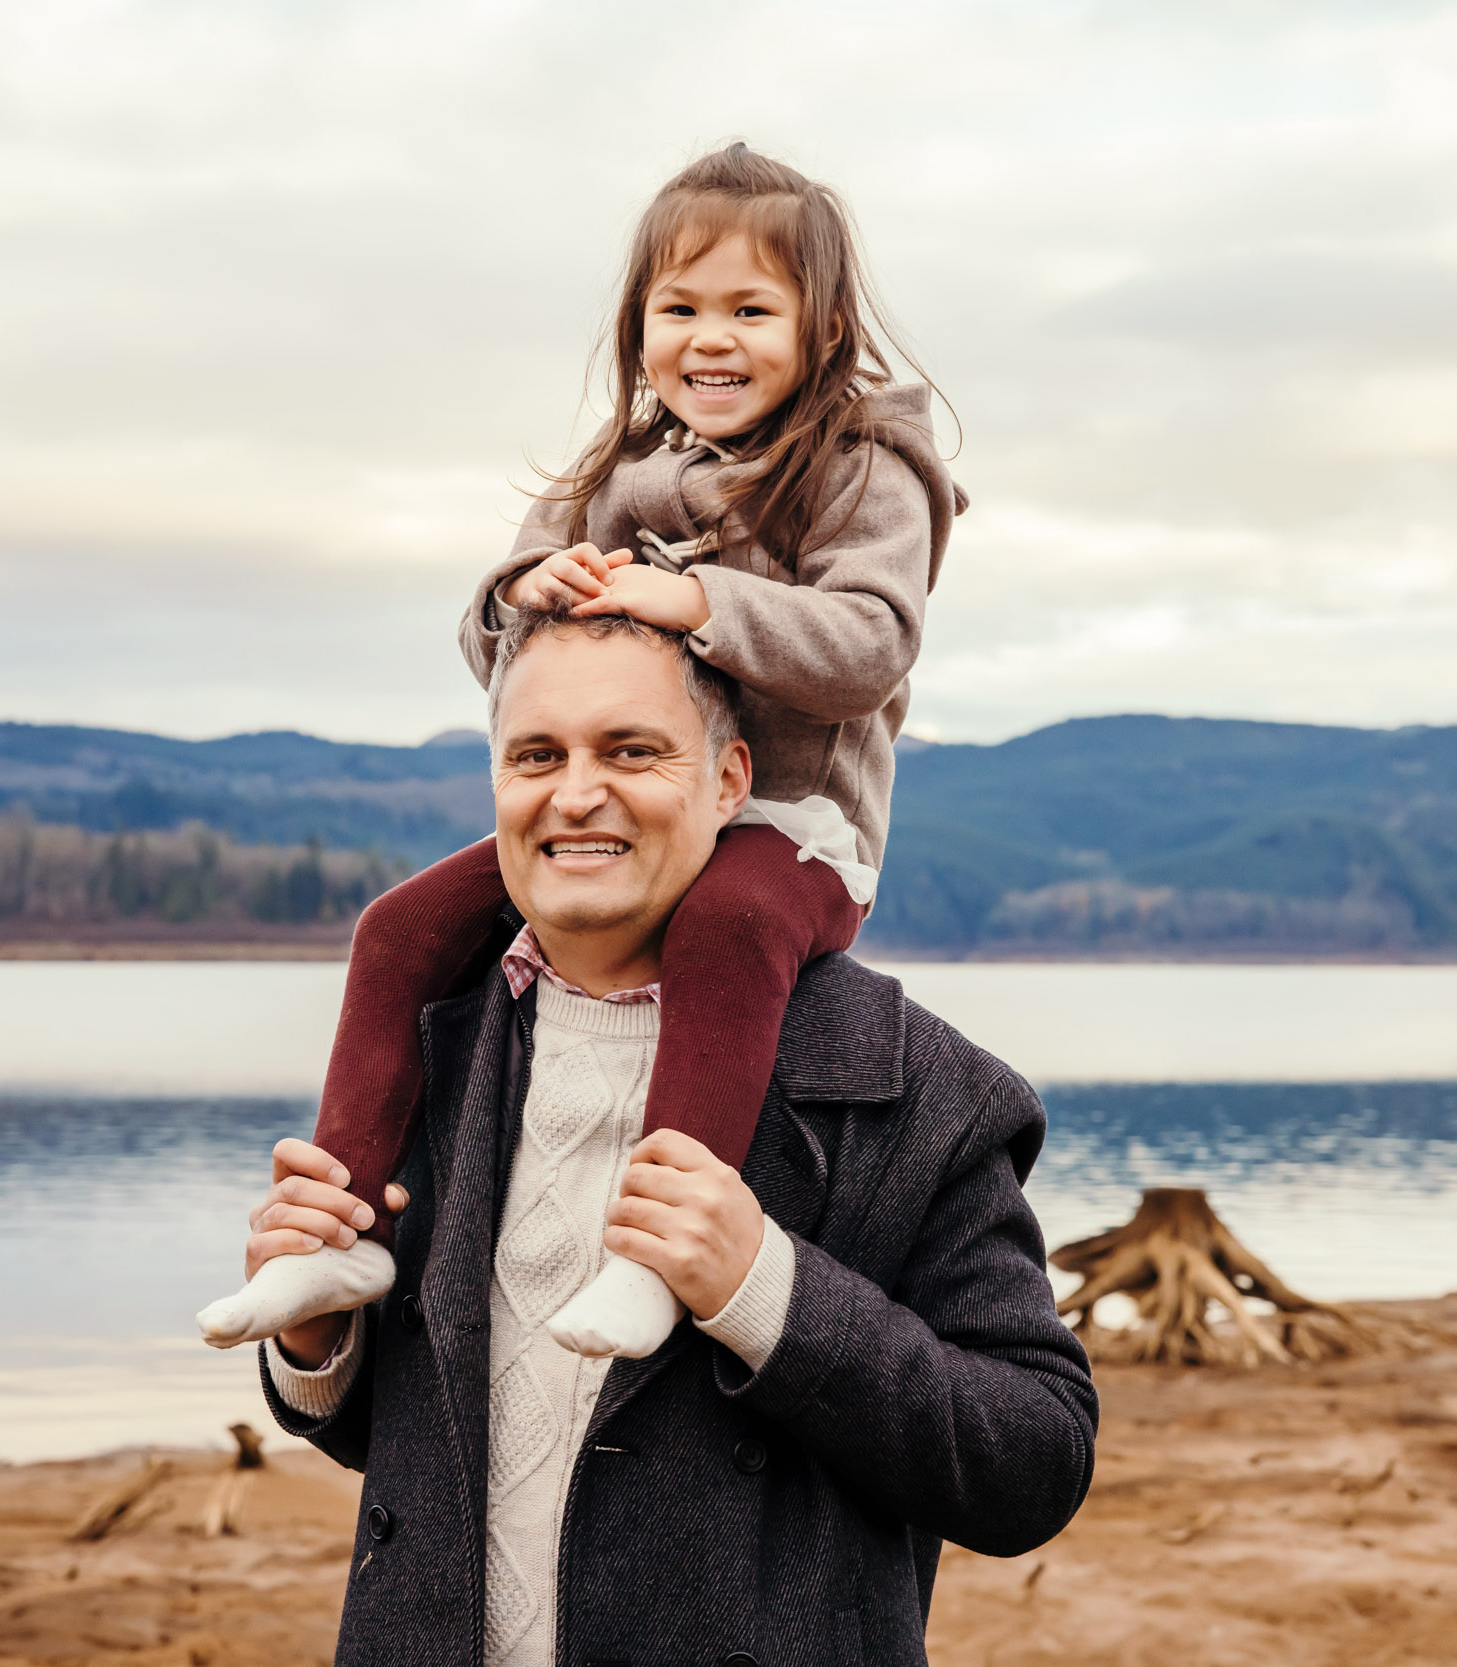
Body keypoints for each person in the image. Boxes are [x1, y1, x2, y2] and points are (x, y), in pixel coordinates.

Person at [199, 140, 964, 1360]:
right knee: (397, 928)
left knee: (724, 926)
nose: (711, 338)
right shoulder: (612, 471)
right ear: (639, 326)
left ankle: (655, 1256)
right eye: (681, 308)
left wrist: (698, 600)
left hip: (792, 831)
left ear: (821, 333)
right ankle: (335, 1229)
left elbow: (871, 644)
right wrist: (523, 590)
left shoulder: (864, 466)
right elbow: (483, 635)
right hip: (615, 824)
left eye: (751, 309)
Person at [241, 607, 1095, 1666]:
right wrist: (316, 1347)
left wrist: (767, 1290)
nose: (576, 792)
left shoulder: (917, 1085)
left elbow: (1034, 1461)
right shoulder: (426, 1048)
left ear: (732, 781)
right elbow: (430, 1451)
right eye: (536, 755)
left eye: (632, 750)